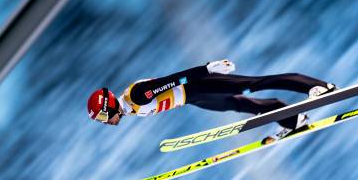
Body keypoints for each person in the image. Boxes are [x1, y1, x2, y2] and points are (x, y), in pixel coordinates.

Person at [87, 59, 335, 138]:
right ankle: (293, 120)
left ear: (108, 107)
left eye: (101, 117)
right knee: (238, 104)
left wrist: (207, 69)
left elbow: (174, 79)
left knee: (253, 85)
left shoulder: (137, 96)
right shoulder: (129, 107)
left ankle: (319, 87)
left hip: (198, 86)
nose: (104, 122)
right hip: (192, 98)